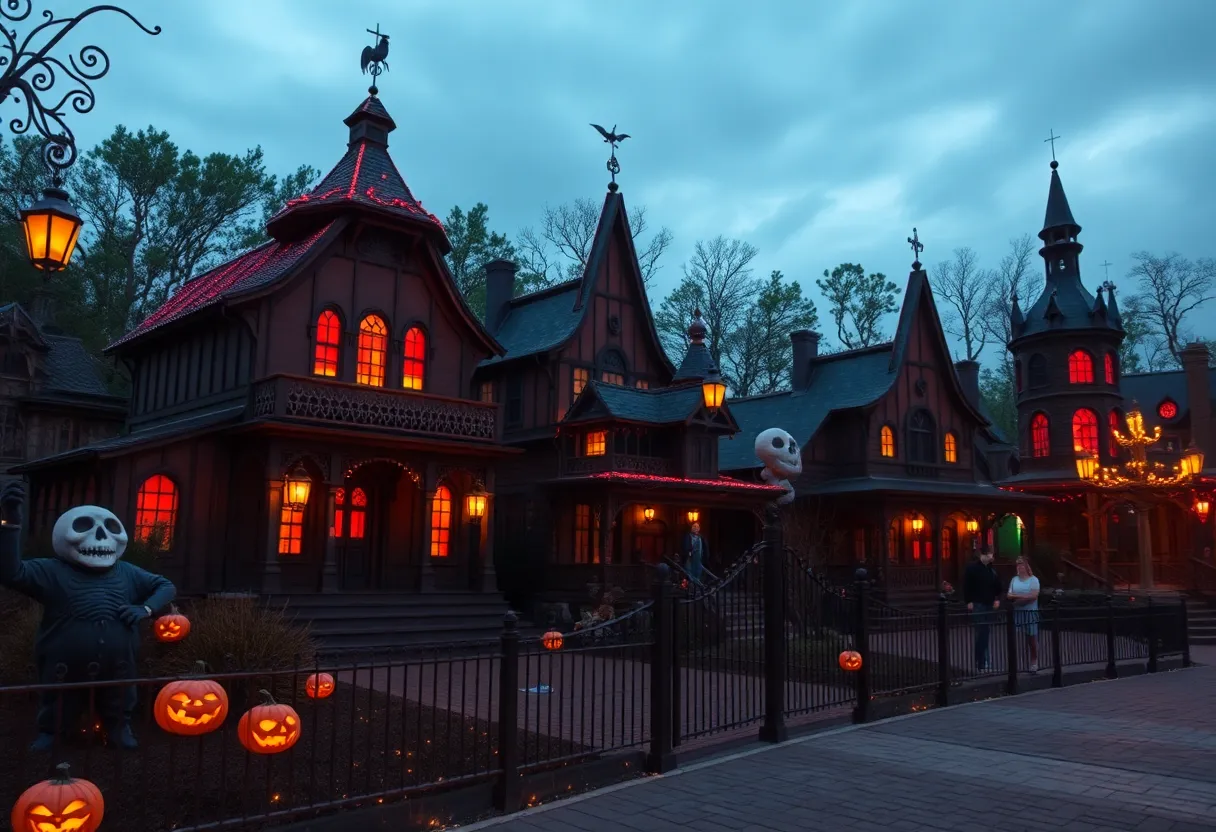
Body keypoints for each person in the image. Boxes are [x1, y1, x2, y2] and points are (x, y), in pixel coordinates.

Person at [963, 547, 1002, 671]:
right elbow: (967, 585)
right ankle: (981, 661)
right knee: (981, 632)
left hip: (988, 603)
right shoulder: (972, 569)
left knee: (985, 631)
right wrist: (968, 601)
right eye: (990, 554)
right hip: (978, 603)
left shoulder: (991, 570)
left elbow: (997, 586)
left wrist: (997, 598)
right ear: (983, 555)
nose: (992, 557)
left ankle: (983, 661)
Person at [1007, 556, 1041, 673]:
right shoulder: (1014, 580)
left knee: (1031, 638)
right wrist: (1022, 597)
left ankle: (1034, 661)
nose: (1020, 567)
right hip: (1017, 612)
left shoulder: (1034, 580)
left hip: (1030, 613)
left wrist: (1018, 598)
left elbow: (1033, 596)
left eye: (1022, 565)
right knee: (1016, 639)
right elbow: (1009, 595)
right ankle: (1018, 663)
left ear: (1027, 566)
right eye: (1018, 565)